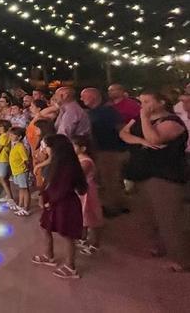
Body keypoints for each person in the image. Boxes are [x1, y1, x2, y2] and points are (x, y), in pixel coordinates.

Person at [120, 90, 188, 272]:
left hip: (164, 174)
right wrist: (140, 141)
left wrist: (144, 118)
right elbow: (124, 133)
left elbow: (154, 138)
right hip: (142, 172)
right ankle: (158, 245)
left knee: (169, 218)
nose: (143, 106)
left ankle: (182, 258)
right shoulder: (139, 118)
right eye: (141, 102)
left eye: (147, 101)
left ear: (161, 102)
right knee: (148, 215)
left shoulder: (172, 122)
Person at [33, 134, 88, 279]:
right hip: (53, 201)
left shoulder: (67, 166)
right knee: (45, 227)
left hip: (64, 203)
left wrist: (49, 201)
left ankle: (71, 266)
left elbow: (63, 188)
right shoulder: (57, 162)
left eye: (46, 147)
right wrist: (43, 196)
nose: (44, 150)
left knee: (67, 234)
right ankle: (48, 255)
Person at [80, 87, 128, 217]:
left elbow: (121, 128)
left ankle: (114, 208)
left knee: (110, 180)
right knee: (110, 180)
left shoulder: (107, 112)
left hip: (110, 150)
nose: (81, 99)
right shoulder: (95, 112)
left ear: (93, 97)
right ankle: (118, 204)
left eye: (84, 96)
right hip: (103, 150)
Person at [71, 135, 104, 255]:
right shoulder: (77, 159)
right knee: (82, 216)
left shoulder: (86, 162)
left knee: (91, 218)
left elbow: (77, 175)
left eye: (74, 146)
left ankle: (95, 243)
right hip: (80, 191)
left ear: (83, 148)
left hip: (87, 192)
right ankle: (83, 238)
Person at [9, 127, 31, 216]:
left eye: (12, 135)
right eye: (10, 134)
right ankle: (20, 204)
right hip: (16, 171)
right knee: (21, 188)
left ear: (19, 137)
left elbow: (26, 159)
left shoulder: (20, 146)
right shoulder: (15, 145)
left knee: (25, 189)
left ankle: (26, 207)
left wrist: (26, 169)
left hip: (21, 171)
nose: (10, 136)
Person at [0, 120, 14, 206]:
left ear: (2, 127)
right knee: (5, 179)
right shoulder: (6, 135)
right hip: (5, 159)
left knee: (2, 179)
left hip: (3, 159)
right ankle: (8, 196)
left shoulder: (3, 136)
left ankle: (11, 199)